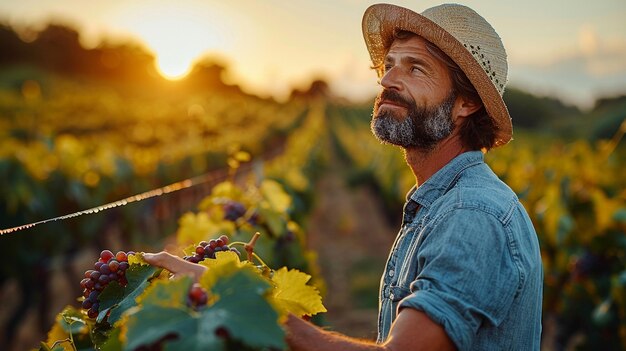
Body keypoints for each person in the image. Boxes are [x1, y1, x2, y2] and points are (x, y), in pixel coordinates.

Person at [146, 3, 543, 350]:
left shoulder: (472, 214)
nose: (387, 81)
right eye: (388, 66)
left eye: (415, 68)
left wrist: (247, 303)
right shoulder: (440, 201)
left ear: (467, 102)